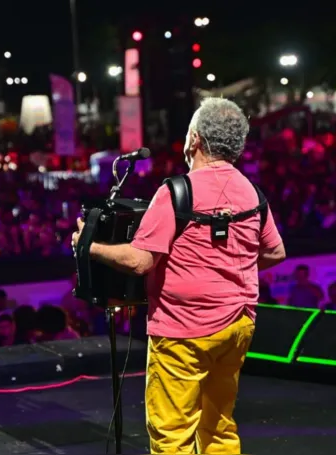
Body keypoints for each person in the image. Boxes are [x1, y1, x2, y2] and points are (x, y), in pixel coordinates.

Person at [72, 97, 286, 454]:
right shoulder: (252, 191)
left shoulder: (175, 192)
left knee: (172, 433)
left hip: (183, 332)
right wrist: (227, 268)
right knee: (218, 426)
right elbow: (275, 252)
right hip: (237, 326)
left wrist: (88, 246)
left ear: (195, 140)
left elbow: (140, 262)